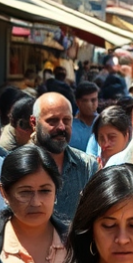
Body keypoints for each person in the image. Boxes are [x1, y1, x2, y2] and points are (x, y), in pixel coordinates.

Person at [31, 93, 99, 225]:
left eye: (67, 120)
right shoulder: (16, 165)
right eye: (53, 121)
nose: (61, 127)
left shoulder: (87, 166)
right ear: (34, 123)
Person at [70, 81, 100, 156]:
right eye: (86, 101)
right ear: (78, 103)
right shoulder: (70, 126)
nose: (90, 105)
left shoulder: (103, 123)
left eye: (93, 100)